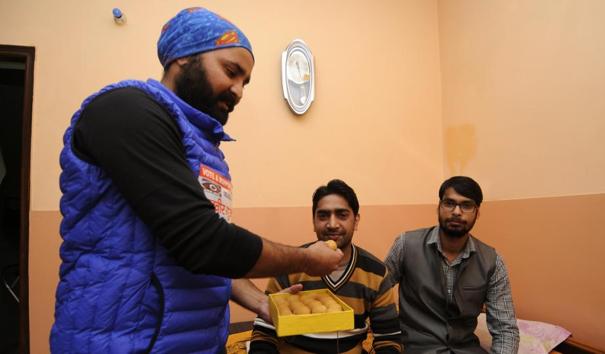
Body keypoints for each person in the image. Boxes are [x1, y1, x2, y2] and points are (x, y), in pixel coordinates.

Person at [50, 8, 342, 354]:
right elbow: (203, 241)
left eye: (245, 82)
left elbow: (202, 256)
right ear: (183, 58)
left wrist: (261, 303)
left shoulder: (205, 148)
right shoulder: (127, 111)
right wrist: (307, 259)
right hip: (124, 341)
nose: (238, 91)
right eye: (231, 72)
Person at [249, 179, 402, 354]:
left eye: (342, 215)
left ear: (356, 221)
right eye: (323, 216)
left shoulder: (376, 273)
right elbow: (263, 332)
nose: (332, 224)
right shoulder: (291, 265)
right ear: (313, 221)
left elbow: (388, 338)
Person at [384, 176, 519, 354]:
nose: (456, 212)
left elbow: (505, 330)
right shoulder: (406, 245)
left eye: (466, 205)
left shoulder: (492, 262)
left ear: (477, 213)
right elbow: (377, 293)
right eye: (449, 203)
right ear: (439, 207)